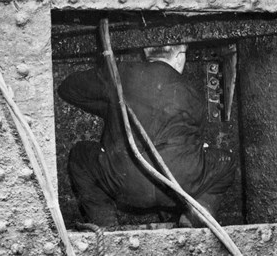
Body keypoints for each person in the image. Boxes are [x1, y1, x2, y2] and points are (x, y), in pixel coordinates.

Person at [58, 44, 236, 228]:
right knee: (226, 162)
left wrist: (112, 108)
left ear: (145, 52)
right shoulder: (193, 92)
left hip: (125, 186)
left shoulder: (121, 74)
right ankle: (193, 217)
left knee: (80, 156)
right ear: (180, 57)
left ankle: (106, 225)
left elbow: (68, 89)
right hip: (178, 188)